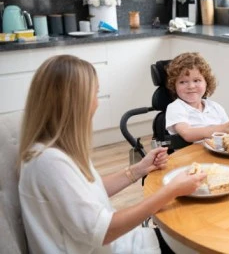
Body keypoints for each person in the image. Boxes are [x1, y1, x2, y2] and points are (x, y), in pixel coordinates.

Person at [18, 55, 207, 253]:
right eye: (95, 94)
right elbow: (103, 232)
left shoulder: (53, 150)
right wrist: (171, 191)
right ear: (76, 102)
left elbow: (88, 191)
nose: (97, 104)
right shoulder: (50, 162)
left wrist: (137, 170)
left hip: (123, 242)